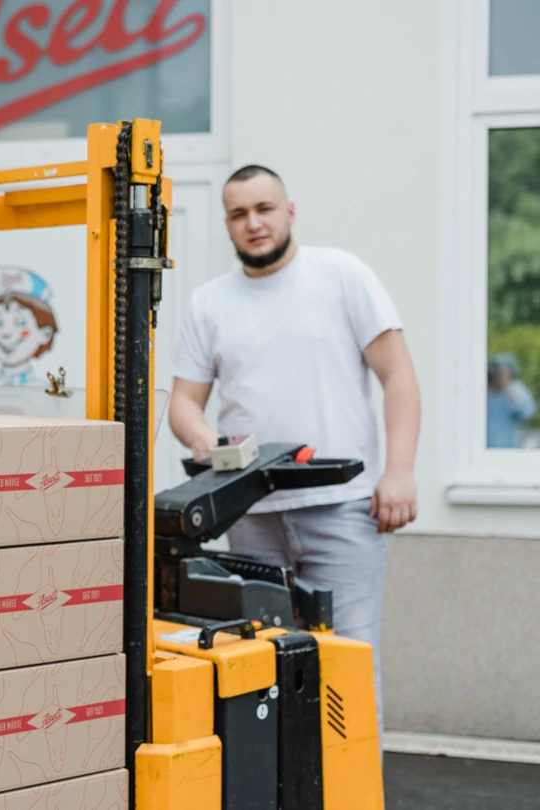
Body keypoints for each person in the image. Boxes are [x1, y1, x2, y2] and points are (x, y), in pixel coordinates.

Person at [168, 164, 421, 741]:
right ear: (227, 224)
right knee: (266, 671)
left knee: (349, 667)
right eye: (239, 214)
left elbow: (400, 377)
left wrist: (400, 471)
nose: (253, 223)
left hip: (344, 511)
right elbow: (184, 402)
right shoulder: (210, 304)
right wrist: (203, 440)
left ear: (290, 211)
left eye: (264, 208)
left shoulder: (342, 276)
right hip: (251, 516)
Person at [486, 352, 536, 448]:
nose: (499, 375)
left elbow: (526, 412)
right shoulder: (486, 392)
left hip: (509, 446)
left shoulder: (517, 389)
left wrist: (506, 385)